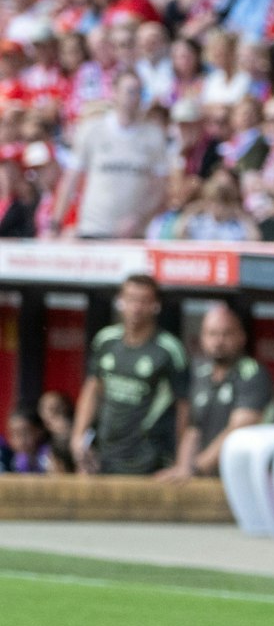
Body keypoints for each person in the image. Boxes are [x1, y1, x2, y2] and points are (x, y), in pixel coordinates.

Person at [72, 275, 190, 476]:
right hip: (105, 454)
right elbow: (92, 389)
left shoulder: (169, 350)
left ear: (155, 305)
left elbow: (184, 407)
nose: (136, 307)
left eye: (143, 301)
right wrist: (78, 436)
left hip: (149, 458)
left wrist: (181, 462)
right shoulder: (105, 340)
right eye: (131, 299)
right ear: (120, 301)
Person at [163, 304, 274, 482]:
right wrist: (183, 468)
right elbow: (194, 429)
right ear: (202, 337)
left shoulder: (252, 373)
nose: (219, 341)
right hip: (209, 480)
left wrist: (196, 469)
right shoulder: (201, 374)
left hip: (248, 480)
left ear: (241, 337)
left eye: (226, 334)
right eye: (212, 334)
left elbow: (238, 429)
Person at [52, 70, 169, 238]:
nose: (134, 97)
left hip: (133, 234)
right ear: (114, 92)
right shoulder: (92, 130)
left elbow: (159, 187)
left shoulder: (153, 136)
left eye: (139, 92)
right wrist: (55, 224)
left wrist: (140, 216)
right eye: (129, 91)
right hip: (93, 228)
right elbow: (71, 179)